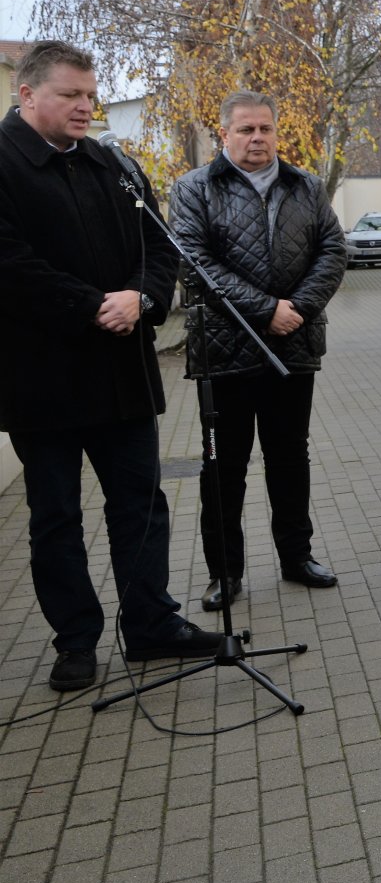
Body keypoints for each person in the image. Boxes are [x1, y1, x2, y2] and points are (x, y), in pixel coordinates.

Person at [0, 40, 220, 691]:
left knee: (140, 506)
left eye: (90, 95)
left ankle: (150, 625)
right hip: (42, 381)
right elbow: (10, 266)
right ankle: (76, 640)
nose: (85, 106)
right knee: (56, 518)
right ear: (28, 94)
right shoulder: (4, 165)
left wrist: (144, 297)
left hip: (123, 376)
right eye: (71, 94)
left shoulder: (114, 163)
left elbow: (161, 240)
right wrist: (97, 306)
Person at [170, 89, 348, 607]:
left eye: (265, 129)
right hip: (225, 352)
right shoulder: (194, 189)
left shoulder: (307, 187)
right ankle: (225, 574)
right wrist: (265, 309)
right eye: (245, 129)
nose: (257, 139)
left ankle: (297, 557)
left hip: (293, 345)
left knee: (290, 458)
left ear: (277, 131)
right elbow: (195, 261)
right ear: (223, 133)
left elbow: (333, 251)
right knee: (223, 468)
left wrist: (296, 309)